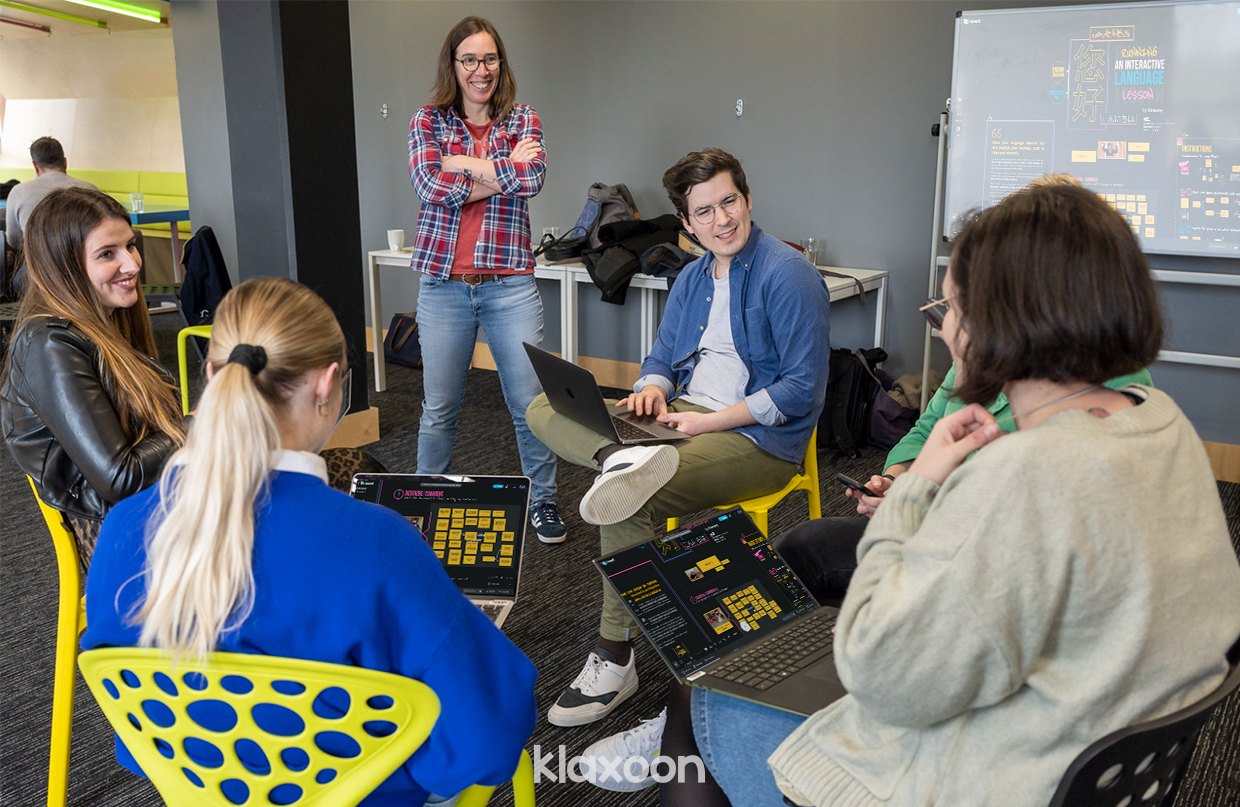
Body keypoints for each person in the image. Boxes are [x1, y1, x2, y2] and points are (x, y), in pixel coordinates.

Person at [582, 183, 1240, 806]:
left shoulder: (1023, 476)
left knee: (703, 695)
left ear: (1006, 324)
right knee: (798, 571)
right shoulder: (1158, 419)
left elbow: (880, 673)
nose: (944, 327)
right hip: (1089, 744)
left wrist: (915, 490)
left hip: (983, 773)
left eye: (949, 310)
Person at [82, 277, 537, 807]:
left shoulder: (122, 529)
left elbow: (135, 740)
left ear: (209, 375)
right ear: (326, 386)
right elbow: (486, 739)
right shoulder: (378, 544)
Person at [528, 148, 832, 727]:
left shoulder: (788, 274)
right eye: (705, 211)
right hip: (677, 419)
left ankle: (615, 655)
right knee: (544, 403)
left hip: (756, 441)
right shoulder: (693, 275)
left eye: (729, 202)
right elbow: (663, 356)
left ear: (748, 200)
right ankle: (619, 455)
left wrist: (706, 422)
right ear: (686, 224)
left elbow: (801, 390)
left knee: (626, 498)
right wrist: (651, 388)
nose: (722, 220)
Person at [776, 169, 1151, 607]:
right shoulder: (1134, 411)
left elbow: (883, 646)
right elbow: (928, 431)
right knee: (804, 547)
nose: (946, 327)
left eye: (952, 308)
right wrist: (900, 479)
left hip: (966, 554)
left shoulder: (1050, 460)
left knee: (806, 556)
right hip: (960, 537)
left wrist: (912, 503)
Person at [407, 16, 567, 544]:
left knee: (531, 406)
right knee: (440, 408)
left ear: (501, 63)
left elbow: (533, 177)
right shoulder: (427, 120)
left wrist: (464, 163)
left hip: (508, 284)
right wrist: (495, 167)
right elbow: (430, 185)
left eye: (490, 58)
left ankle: (542, 502)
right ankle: (423, 500)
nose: (482, 70)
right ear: (453, 65)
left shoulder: (522, 116)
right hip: (443, 286)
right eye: (470, 60)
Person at [2, 187, 184, 568]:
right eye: (107, 254)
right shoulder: (49, 344)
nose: (132, 264)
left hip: (158, 506)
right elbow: (122, 478)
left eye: (130, 246)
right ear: (64, 267)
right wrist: (202, 423)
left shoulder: (103, 323)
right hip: (128, 539)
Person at [5, 137, 98, 258]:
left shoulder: (19, 191)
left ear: (35, 166)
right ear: (64, 162)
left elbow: (14, 241)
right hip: (84, 264)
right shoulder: (90, 189)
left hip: (37, 266)